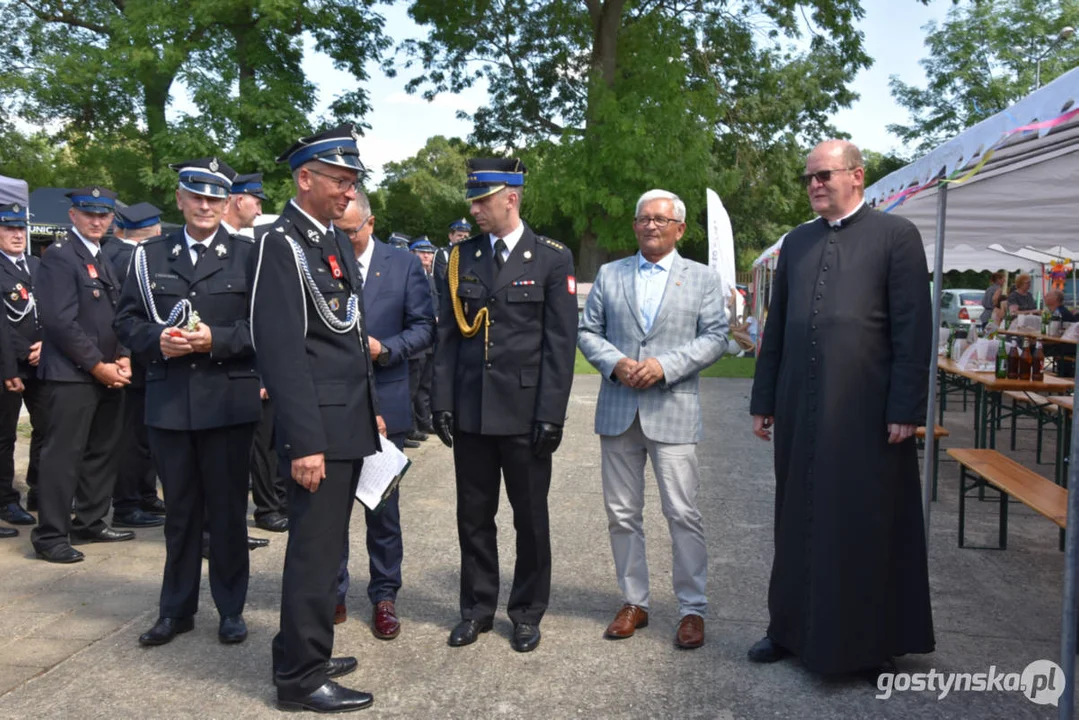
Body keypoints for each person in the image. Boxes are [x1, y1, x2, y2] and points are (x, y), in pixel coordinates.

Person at [748, 139, 934, 678]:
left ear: (857, 176)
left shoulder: (896, 236)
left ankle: (867, 642)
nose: (815, 185)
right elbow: (776, 328)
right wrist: (764, 399)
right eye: (809, 177)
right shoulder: (797, 242)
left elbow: (912, 329)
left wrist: (906, 406)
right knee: (796, 519)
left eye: (825, 175)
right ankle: (786, 629)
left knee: (860, 523)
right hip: (799, 407)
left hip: (866, 411)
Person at [252, 124, 382, 713]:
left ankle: (300, 649)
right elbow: (282, 351)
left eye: (352, 183)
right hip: (317, 434)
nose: (348, 193)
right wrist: (305, 442)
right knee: (314, 552)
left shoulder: (327, 239)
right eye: (339, 181)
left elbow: (347, 339)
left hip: (346, 423)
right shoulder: (282, 244)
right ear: (305, 178)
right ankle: (301, 680)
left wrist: (370, 412)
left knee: (326, 551)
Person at [114, 157, 262, 647]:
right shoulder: (148, 256)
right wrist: (158, 339)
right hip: (171, 403)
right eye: (195, 196)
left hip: (227, 404)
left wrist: (213, 340)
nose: (204, 205)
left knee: (226, 515)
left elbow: (263, 330)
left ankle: (231, 609)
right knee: (179, 515)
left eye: (214, 198)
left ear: (225, 203)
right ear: (179, 200)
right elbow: (127, 321)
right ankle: (175, 610)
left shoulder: (249, 256)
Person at [432, 157, 578, 653]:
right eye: (472, 200)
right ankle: (476, 609)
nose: (474, 209)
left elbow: (560, 343)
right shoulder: (460, 258)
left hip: (524, 412)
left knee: (529, 517)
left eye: (482, 200)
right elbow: (447, 336)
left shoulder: (552, 258)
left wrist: (550, 414)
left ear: (510, 198)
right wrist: (442, 401)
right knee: (473, 516)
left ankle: (527, 611)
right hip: (472, 409)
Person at [578, 189, 727, 650]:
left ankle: (692, 609)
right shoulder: (610, 273)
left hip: (673, 408)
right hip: (620, 408)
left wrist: (666, 366)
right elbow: (587, 330)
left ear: (680, 228)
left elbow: (716, 336)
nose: (651, 226)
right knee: (622, 514)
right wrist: (615, 363)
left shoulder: (701, 279)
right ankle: (634, 602)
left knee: (682, 512)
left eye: (661, 220)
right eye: (643, 218)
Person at [333, 194, 435, 633]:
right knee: (330, 509)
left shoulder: (403, 264)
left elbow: (424, 328)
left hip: (385, 400)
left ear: (370, 223)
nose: (343, 239)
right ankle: (332, 593)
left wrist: (387, 349)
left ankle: (385, 595)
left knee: (382, 506)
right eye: (337, 231)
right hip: (333, 403)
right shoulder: (320, 258)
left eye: (351, 231)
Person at [31, 186, 133, 563]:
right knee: (63, 455)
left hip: (107, 371)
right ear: (72, 216)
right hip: (73, 374)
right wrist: (97, 365)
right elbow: (60, 322)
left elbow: (115, 314)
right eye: (89, 214)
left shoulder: (100, 256)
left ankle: (89, 520)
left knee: (103, 450)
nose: (97, 221)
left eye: (104, 215)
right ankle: (51, 534)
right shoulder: (60, 256)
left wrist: (123, 356)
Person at [104, 202, 168, 529]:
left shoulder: (111, 252)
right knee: (133, 437)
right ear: (156, 230)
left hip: (127, 356)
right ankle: (128, 503)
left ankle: (142, 495)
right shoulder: (133, 258)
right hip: (134, 359)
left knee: (138, 436)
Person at [0, 201, 35, 535]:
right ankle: (6, 500)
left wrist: (47, 347)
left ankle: (41, 492)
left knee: (49, 430)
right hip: (7, 365)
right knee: (4, 437)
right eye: (9, 228)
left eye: (20, 228)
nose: (16, 235)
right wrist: (19, 358)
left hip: (42, 363)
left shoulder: (37, 266)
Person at [408, 236, 438, 437]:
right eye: (422, 252)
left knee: (426, 384)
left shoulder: (430, 277)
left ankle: (423, 421)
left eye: (429, 252)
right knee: (412, 386)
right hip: (416, 339)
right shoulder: (409, 277)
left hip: (430, 339)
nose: (427, 255)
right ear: (412, 254)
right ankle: (409, 427)